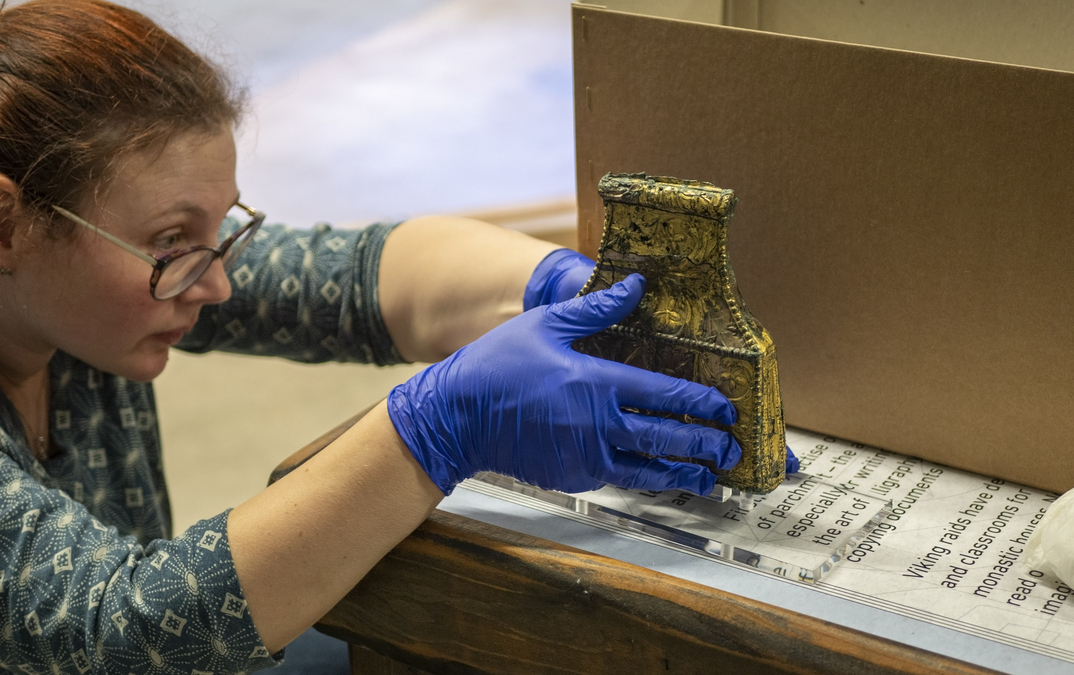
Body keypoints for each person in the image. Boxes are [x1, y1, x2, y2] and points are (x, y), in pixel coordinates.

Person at [0, 1, 784, 672]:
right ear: (9, 225)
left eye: (221, 228)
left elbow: (361, 277)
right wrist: (438, 427)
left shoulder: (84, 298)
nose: (219, 284)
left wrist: (566, 285)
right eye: (171, 240)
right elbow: (119, 634)